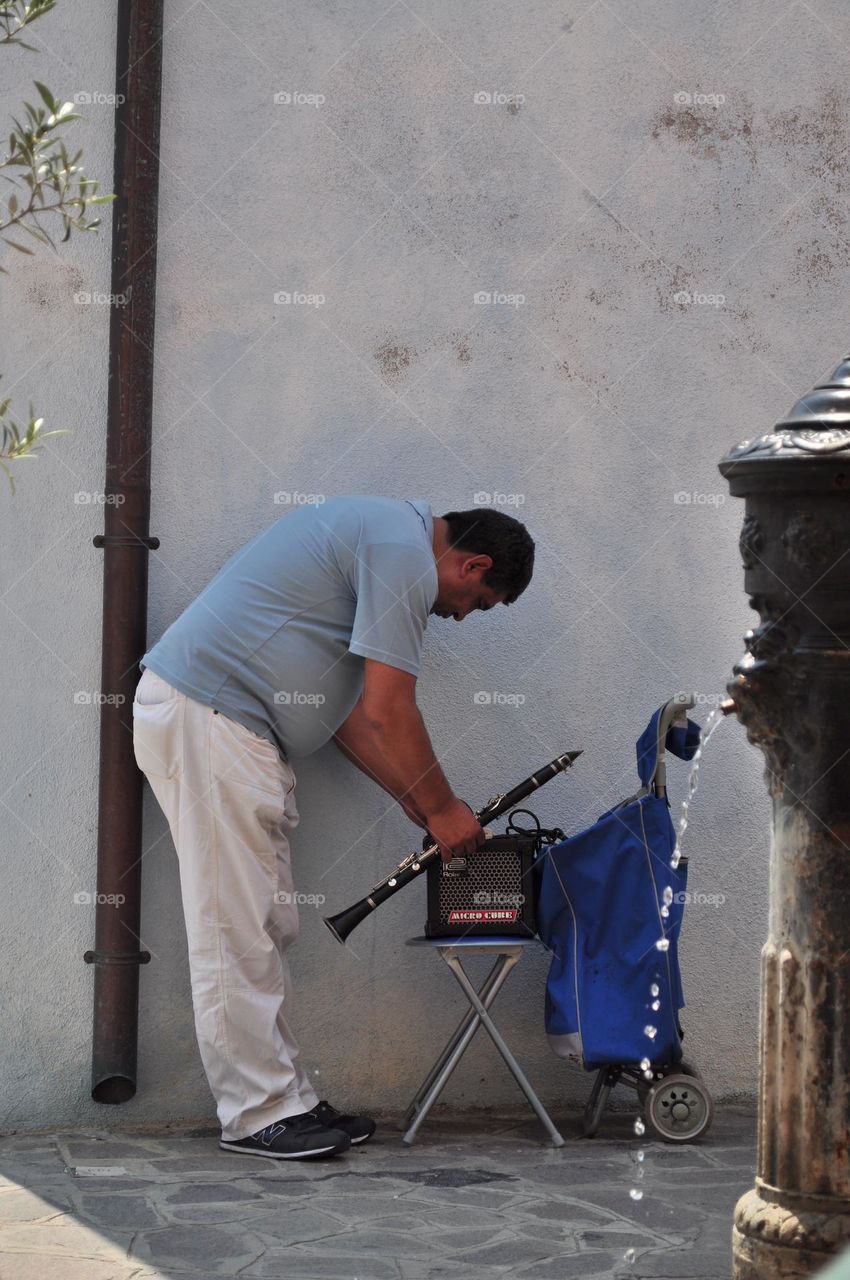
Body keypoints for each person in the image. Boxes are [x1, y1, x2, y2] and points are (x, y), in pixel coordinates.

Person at [132, 495, 535, 1160]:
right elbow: (388, 707)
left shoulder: (384, 539)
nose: (460, 617)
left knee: (262, 923)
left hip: (224, 727)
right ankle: (257, 1113)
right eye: (478, 603)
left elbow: (347, 713)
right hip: (211, 721)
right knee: (236, 926)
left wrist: (412, 793)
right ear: (473, 565)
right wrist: (442, 808)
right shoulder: (402, 554)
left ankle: (285, 1099)